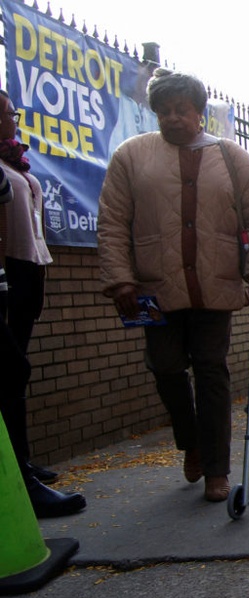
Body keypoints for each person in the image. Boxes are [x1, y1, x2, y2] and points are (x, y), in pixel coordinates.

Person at [97, 69, 249, 502]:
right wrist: (120, 278)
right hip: (155, 287)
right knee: (165, 367)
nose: (173, 118)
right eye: (164, 110)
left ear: (199, 112)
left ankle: (217, 469)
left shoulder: (232, 157)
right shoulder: (132, 155)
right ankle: (192, 442)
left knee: (212, 371)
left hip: (214, 287)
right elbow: (112, 222)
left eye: (182, 109)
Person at [0, 90, 86, 517]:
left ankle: (21, 462)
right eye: (4, 115)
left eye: (11, 114)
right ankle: (19, 478)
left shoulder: (16, 162)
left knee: (14, 370)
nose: (11, 121)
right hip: (7, 272)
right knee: (11, 369)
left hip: (27, 270)